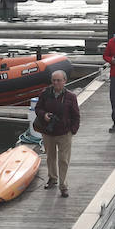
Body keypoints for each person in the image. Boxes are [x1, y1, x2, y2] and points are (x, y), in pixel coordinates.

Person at [33, 70, 81, 198]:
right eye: (54, 80)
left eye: (58, 80)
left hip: (65, 133)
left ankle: (63, 186)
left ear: (65, 81)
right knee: (50, 157)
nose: (55, 83)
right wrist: (44, 115)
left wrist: (73, 130)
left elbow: (76, 115)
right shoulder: (45, 93)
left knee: (63, 160)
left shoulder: (71, 96)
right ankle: (52, 178)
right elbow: (38, 108)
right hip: (48, 132)